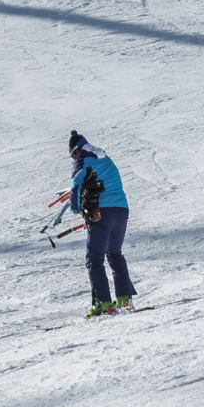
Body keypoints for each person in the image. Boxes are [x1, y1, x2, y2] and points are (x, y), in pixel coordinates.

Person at [68, 130, 137, 317]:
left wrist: (76, 209)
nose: (72, 158)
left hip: (102, 213)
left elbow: (75, 188)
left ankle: (103, 303)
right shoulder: (105, 156)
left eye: (72, 154)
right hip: (121, 210)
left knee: (94, 258)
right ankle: (125, 298)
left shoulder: (81, 161)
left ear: (76, 150)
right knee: (114, 253)